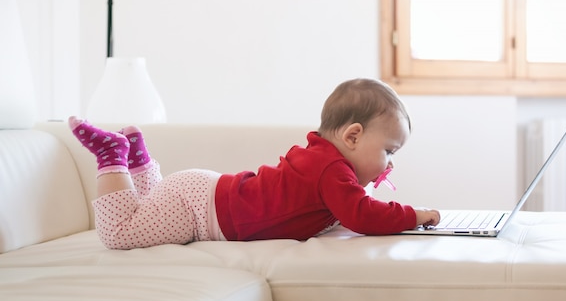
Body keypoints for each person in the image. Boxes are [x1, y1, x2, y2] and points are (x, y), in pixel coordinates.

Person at [69, 78, 440, 249]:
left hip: (200, 192)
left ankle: (138, 160)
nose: (390, 163)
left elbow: (345, 207)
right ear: (353, 137)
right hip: (200, 210)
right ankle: (113, 158)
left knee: (146, 212)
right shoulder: (331, 170)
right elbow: (362, 215)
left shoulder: (323, 161)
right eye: (389, 151)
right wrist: (414, 215)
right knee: (121, 234)